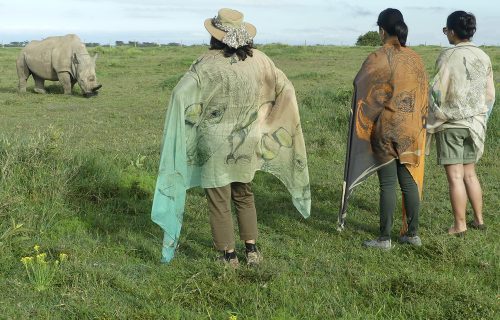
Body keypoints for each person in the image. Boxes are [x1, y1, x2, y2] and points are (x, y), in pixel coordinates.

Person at [151, 8, 310, 266]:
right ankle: (252, 250)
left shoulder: (205, 63)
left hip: (213, 142)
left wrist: (192, 118)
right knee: (244, 193)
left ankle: (228, 256)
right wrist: (266, 118)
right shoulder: (260, 60)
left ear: (215, 36)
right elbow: (286, 88)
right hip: (248, 139)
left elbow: (180, 94)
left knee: (219, 198)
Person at [340, 8, 428, 249]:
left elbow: (360, 84)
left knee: (387, 183)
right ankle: (412, 235)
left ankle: (384, 238)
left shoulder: (378, 57)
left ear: (381, 30)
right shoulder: (416, 58)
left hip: (386, 128)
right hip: (412, 129)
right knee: (408, 181)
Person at [427, 11, 495, 235]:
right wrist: (481, 117)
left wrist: (433, 116)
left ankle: (459, 225)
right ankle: (479, 219)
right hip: (475, 124)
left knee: (455, 177)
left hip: (452, 124)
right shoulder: (484, 56)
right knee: (470, 174)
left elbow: (436, 92)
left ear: (453, 31)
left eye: (446, 30)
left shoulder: (447, 56)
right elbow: (490, 94)